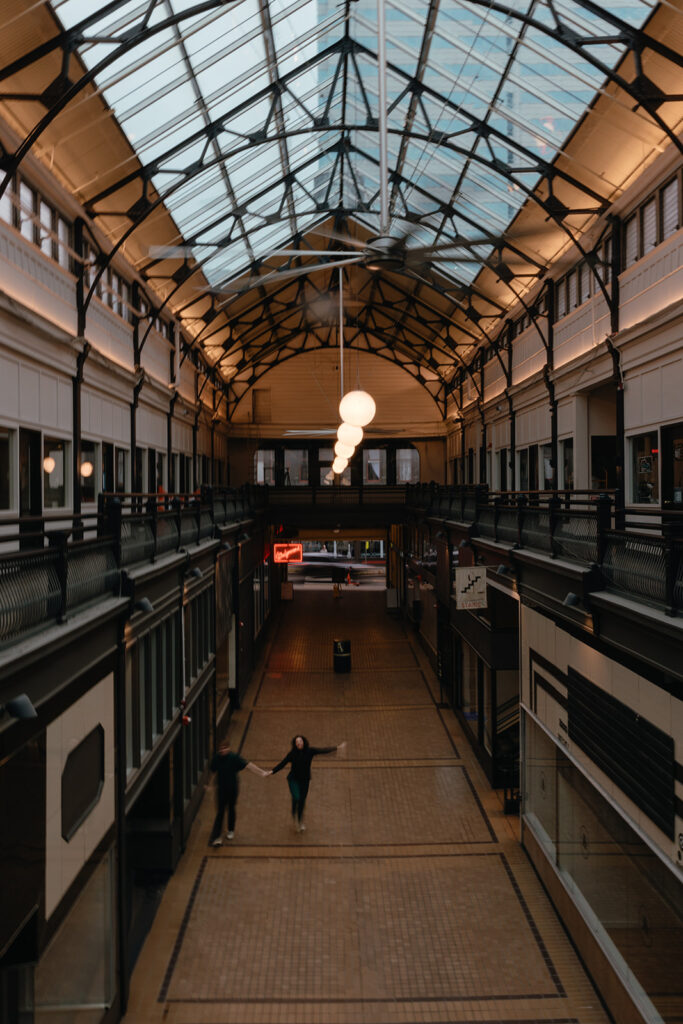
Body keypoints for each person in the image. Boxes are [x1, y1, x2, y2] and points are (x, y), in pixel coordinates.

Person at [267, 735, 346, 832]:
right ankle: (294, 812)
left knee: (302, 801)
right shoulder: (292, 754)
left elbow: (323, 751)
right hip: (293, 780)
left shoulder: (310, 751)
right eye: (297, 742)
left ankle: (299, 821)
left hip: (305, 780)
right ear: (295, 744)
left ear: (304, 742)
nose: (299, 743)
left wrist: (337, 748)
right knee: (296, 797)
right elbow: (282, 764)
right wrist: (271, 771)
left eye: (300, 741)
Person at [207, 740, 268, 845]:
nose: (223, 750)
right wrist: (211, 786)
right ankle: (217, 836)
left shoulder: (234, 758)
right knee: (220, 811)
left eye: (225, 748)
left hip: (232, 788)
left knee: (231, 808)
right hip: (221, 789)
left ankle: (231, 829)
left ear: (229, 748)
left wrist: (261, 772)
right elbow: (213, 771)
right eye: (221, 749)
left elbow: (248, 765)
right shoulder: (216, 758)